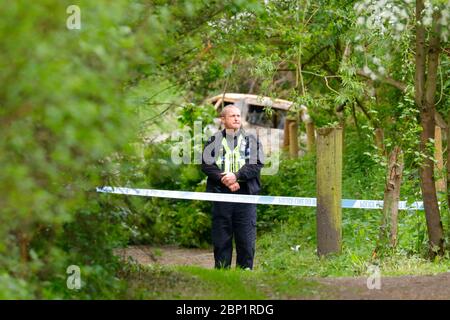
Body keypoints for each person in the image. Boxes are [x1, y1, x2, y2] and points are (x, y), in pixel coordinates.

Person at [201, 104, 264, 270]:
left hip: (246, 193)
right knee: (222, 235)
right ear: (223, 120)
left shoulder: (252, 140)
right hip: (221, 193)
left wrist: (236, 176)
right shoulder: (214, 140)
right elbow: (207, 165)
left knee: (246, 235)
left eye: (238, 115)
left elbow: (256, 164)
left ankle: (245, 270)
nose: (237, 118)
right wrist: (226, 179)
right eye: (232, 116)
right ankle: (222, 270)